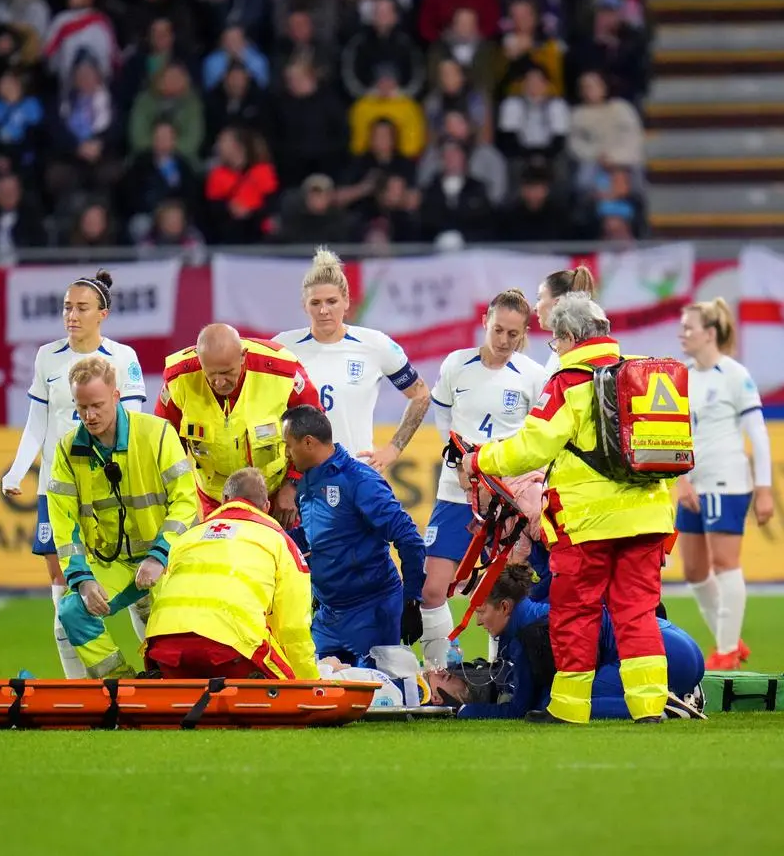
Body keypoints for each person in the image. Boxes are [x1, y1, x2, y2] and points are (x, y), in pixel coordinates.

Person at [461, 293, 674, 724]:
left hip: (587, 522)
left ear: (572, 337)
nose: (553, 350)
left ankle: (570, 709)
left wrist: (481, 458)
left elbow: (531, 447)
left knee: (576, 612)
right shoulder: (645, 372)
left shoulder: (568, 382)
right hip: (649, 515)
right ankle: (650, 707)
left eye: (554, 342)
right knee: (637, 612)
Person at [1, 270, 147, 679]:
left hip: (112, 490)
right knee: (64, 588)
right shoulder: (47, 356)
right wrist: (17, 470)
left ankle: (158, 671)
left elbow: (133, 422)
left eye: (81, 308)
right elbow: (37, 422)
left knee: (139, 583)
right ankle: (77, 686)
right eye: (67, 307)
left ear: (103, 313)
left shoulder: (123, 358)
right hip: (59, 490)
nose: (72, 315)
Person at [50, 356, 200, 679]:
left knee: (173, 651)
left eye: (98, 405)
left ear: (116, 396)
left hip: (169, 561)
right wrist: (82, 579)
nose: (89, 416)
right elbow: (63, 524)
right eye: (82, 406)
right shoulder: (66, 451)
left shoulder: (156, 433)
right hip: (115, 565)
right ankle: (121, 683)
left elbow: (187, 503)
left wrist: (160, 555)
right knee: (72, 611)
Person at [424, 289, 547, 667]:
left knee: (505, 594)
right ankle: (439, 674)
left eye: (514, 334)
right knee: (432, 590)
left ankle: (503, 674)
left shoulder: (533, 375)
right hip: (456, 493)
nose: (505, 340)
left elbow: (538, 437)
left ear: (524, 332)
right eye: (498, 330)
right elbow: (443, 417)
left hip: (507, 500)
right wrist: (459, 463)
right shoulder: (456, 365)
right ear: (485, 323)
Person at [431, 565, 704, 720]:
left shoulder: (529, 634)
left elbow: (519, 708)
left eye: (481, 612)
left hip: (668, 654)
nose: (478, 622)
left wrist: (465, 710)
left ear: (504, 607)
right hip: (674, 643)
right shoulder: (535, 613)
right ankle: (675, 691)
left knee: (561, 703)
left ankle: (665, 704)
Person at [282, 405, 426, 666]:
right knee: (318, 696)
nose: (286, 454)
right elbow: (312, 536)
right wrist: (270, 537)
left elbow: (409, 538)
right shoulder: (307, 483)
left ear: (308, 442)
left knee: (379, 701)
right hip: (328, 616)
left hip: (372, 612)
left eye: (288, 445)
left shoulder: (360, 481)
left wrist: (412, 599)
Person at [146, 468, 320, 680]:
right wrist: (310, 681)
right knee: (285, 677)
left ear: (224, 499)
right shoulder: (279, 542)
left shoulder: (186, 539)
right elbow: (293, 629)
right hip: (232, 652)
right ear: (266, 507)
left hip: (164, 648)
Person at [675, 298, 774, 670]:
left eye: (689, 327)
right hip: (692, 483)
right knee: (694, 571)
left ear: (710, 333)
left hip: (727, 480)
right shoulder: (679, 376)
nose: (682, 334)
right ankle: (728, 636)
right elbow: (672, 435)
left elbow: (758, 435)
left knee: (723, 562)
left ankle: (727, 649)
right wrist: (681, 479)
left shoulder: (734, 375)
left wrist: (763, 489)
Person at [273, 247, 431, 471]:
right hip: (300, 477)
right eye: (315, 303)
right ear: (304, 305)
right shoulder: (282, 347)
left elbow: (421, 395)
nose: (324, 310)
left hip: (355, 474)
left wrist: (393, 449)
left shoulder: (375, 344)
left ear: (347, 302)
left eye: (332, 301)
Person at [156, 323, 322, 522]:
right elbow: (164, 444)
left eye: (227, 372)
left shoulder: (281, 371)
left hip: (277, 497)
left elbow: (314, 431)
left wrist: (294, 484)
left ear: (243, 356)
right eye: (210, 374)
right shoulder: (179, 378)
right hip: (215, 501)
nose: (219, 382)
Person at [533, 266, 596, 375]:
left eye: (540, 299)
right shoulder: (562, 349)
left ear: (557, 303)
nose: (535, 307)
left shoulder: (577, 352)